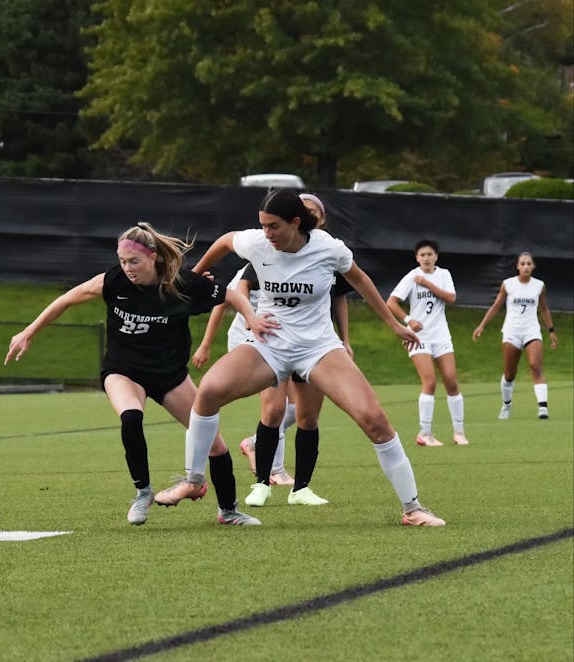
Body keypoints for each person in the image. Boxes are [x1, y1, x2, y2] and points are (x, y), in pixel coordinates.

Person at [157, 188, 446, 526]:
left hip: (318, 347)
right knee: (208, 391)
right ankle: (193, 481)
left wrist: (394, 325)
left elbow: (360, 279)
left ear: (296, 223)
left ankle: (412, 509)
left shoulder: (328, 248)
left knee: (373, 418)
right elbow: (224, 241)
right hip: (269, 344)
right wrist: (192, 279)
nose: (267, 233)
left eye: (274, 226)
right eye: (263, 226)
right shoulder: (257, 243)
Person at [5, 222, 262, 526]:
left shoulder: (182, 286)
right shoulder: (114, 282)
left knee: (214, 444)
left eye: (134, 261)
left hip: (169, 374)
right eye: (122, 261)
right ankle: (143, 492)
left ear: (153, 257)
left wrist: (252, 319)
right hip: (123, 370)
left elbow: (232, 296)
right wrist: (29, 332)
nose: (127, 268)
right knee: (131, 416)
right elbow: (67, 299)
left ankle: (228, 512)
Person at [192, 193, 352, 502]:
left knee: (307, 416)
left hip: (313, 343)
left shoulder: (328, 251)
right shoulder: (270, 250)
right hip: (271, 340)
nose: (310, 215)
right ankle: (262, 481)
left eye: (314, 212)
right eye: (305, 210)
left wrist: (345, 340)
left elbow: (340, 296)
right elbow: (234, 291)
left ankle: (301, 488)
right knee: (274, 409)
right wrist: (236, 324)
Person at [387, 240, 469, 446]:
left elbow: (451, 298)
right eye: (422, 255)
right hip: (419, 337)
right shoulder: (412, 276)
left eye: (429, 254)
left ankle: (459, 432)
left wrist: (428, 284)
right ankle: (425, 433)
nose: (426, 258)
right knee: (430, 382)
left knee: (451, 381)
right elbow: (391, 302)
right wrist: (408, 321)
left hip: (441, 335)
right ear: (416, 258)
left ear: (436, 256)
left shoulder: (444, 275)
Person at [472, 252, 558, 420]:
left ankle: (543, 408)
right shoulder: (508, 284)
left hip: (531, 331)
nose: (526, 267)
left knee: (535, 365)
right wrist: (482, 325)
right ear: (517, 266)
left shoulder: (539, 286)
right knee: (510, 373)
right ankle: (506, 405)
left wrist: (551, 331)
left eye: (529, 264)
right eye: (522, 264)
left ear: (533, 266)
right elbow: (496, 306)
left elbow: (544, 308)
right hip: (512, 331)